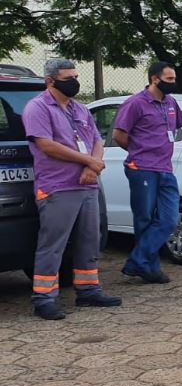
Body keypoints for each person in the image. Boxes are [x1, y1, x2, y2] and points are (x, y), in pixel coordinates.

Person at [22, 58, 122, 320]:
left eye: (76, 77)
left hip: (87, 184)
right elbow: (47, 146)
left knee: (89, 241)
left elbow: (96, 140)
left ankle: (88, 291)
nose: (74, 83)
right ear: (50, 81)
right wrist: (88, 161)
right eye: (68, 79)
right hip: (58, 187)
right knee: (52, 245)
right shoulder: (38, 108)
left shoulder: (79, 109)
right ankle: (44, 299)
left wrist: (94, 163)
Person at [112, 61, 182, 284]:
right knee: (145, 219)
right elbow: (119, 136)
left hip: (165, 169)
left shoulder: (170, 102)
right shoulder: (135, 103)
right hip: (142, 169)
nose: (173, 83)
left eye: (173, 79)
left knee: (169, 219)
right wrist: (140, 152)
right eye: (169, 79)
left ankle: (137, 261)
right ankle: (149, 268)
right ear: (154, 79)